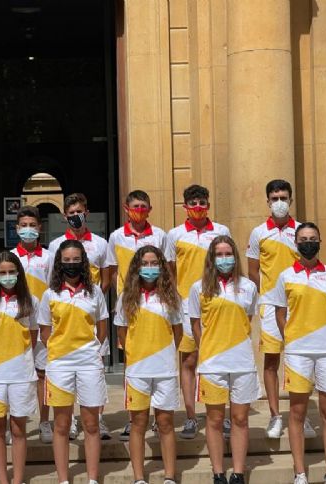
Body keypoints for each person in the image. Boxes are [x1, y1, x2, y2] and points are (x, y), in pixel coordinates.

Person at [266, 222, 326, 484]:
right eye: (303, 238)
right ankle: (300, 472)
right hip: (298, 352)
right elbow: (280, 313)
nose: (308, 242)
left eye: (312, 238)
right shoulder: (286, 276)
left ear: (320, 241)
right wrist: (293, 337)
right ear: (296, 243)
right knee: (297, 412)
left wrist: (324, 337)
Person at [246, 179, 315, 439]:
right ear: (267, 201)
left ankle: (303, 415)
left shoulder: (301, 231)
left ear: (291, 200)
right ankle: (275, 416)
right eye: (274, 198)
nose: (279, 202)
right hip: (270, 305)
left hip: (299, 305)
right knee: (272, 360)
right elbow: (253, 270)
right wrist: (268, 295)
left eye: (283, 197)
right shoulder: (258, 232)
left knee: (302, 360)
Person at [189, 235, 259, 484]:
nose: (224, 258)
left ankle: (238, 473)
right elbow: (196, 325)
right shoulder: (199, 288)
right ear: (211, 258)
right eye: (219, 254)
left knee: (240, 418)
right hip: (213, 364)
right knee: (215, 419)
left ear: (235, 256)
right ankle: (218, 472)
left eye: (228, 253)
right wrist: (209, 348)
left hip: (242, 362)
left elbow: (247, 319)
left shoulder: (249, 287)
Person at [38, 240, 108, 484]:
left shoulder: (95, 291)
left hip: (89, 362)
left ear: (83, 261)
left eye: (75, 259)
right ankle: (63, 480)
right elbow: (45, 332)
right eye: (66, 260)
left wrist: (90, 349)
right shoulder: (50, 294)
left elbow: (102, 326)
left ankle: (91, 479)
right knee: (62, 424)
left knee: (91, 423)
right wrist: (61, 350)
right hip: (59, 365)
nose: (71, 264)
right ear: (59, 263)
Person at [165, 184, 231, 440]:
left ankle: (221, 416)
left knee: (219, 360)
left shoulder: (221, 231)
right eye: (193, 203)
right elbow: (170, 269)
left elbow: (228, 261)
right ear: (185, 206)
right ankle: (191, 416)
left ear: (208, 204)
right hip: (186, 305)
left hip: (216, 302)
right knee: (189, 361)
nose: (198, 207)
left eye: (202, 202)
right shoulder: (175, 234)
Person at [115, 245, 182, 484]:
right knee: (138, 424)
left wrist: (162, 353)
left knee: (165, 423)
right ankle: (139, 478)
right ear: (137, 267)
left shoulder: (171, 296)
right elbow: (121, 333)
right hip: (138, 371)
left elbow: (178, 332)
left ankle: (169, 476)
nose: (150, 268)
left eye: (155, 263)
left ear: (162, 267)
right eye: (145, 263)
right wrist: (137, 353)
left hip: (164, 370)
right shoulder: (126, 297)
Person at [48, 193, 111, 439]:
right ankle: (71, 420)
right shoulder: (55, 246)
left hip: (91, 312)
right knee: (66, 372)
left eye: (80, 211)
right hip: (65, 315)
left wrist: (89, 301)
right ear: (65, 215)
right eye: (71, 212)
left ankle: (99, 418)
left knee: (96, 368)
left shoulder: (100, 243)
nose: (76, 216)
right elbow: (52, 281)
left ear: (87, 212)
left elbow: (105, 280)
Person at [106, 189, 166, 441]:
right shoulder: (116, 236)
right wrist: (113, 304)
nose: (139, 210)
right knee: (131, 364)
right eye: (135, 206)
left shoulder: (161, 235)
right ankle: (134, 417)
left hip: (156, 304)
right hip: (129, 305)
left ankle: (156, 418)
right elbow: (111, 271)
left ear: (149, 209)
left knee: (160, 361)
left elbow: (167, 270)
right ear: (126, 208)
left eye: (144, 206)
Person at [0, 251, 39, 484]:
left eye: (12, 272)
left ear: (19, 274)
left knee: (19, 429)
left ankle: (18, 479)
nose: (8, 276)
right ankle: (3, 480)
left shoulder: (30, 301)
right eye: (2, 272)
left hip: (22, 374)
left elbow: (32, 336)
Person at [11, 205, 55, 443]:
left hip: (43, 324)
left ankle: (44, 422)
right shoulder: (10, 257)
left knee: (42, 375)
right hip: (16, 325)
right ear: (17, 229)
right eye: (24, 226)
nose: (28, 230)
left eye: (32, 225)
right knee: (16, 375)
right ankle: (14, 423)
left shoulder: (48, 257)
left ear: (40, 228)